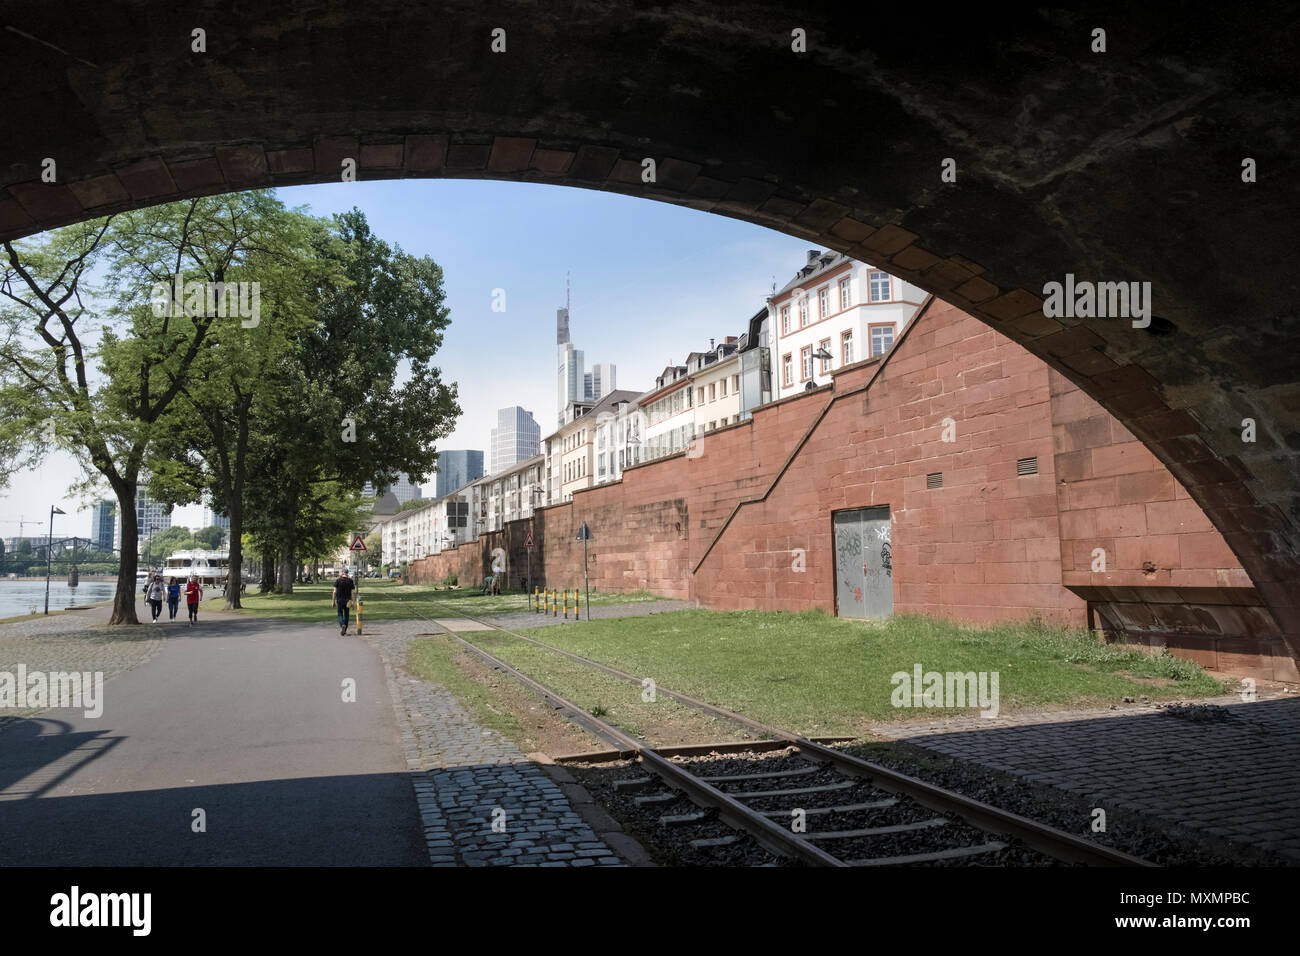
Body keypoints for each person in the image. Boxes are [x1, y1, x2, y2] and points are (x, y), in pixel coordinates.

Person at [332, 568, 356, 636]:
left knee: (340, 614)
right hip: (348, 600)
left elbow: (334, 592)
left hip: (339, 600)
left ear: (342, 573)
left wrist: (333, 601)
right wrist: (353, 603)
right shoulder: (350, 581)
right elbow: (352, 593)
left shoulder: (338, 580)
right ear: (347, 573)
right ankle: (344, 629)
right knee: (346, 615)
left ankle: (342, 625)